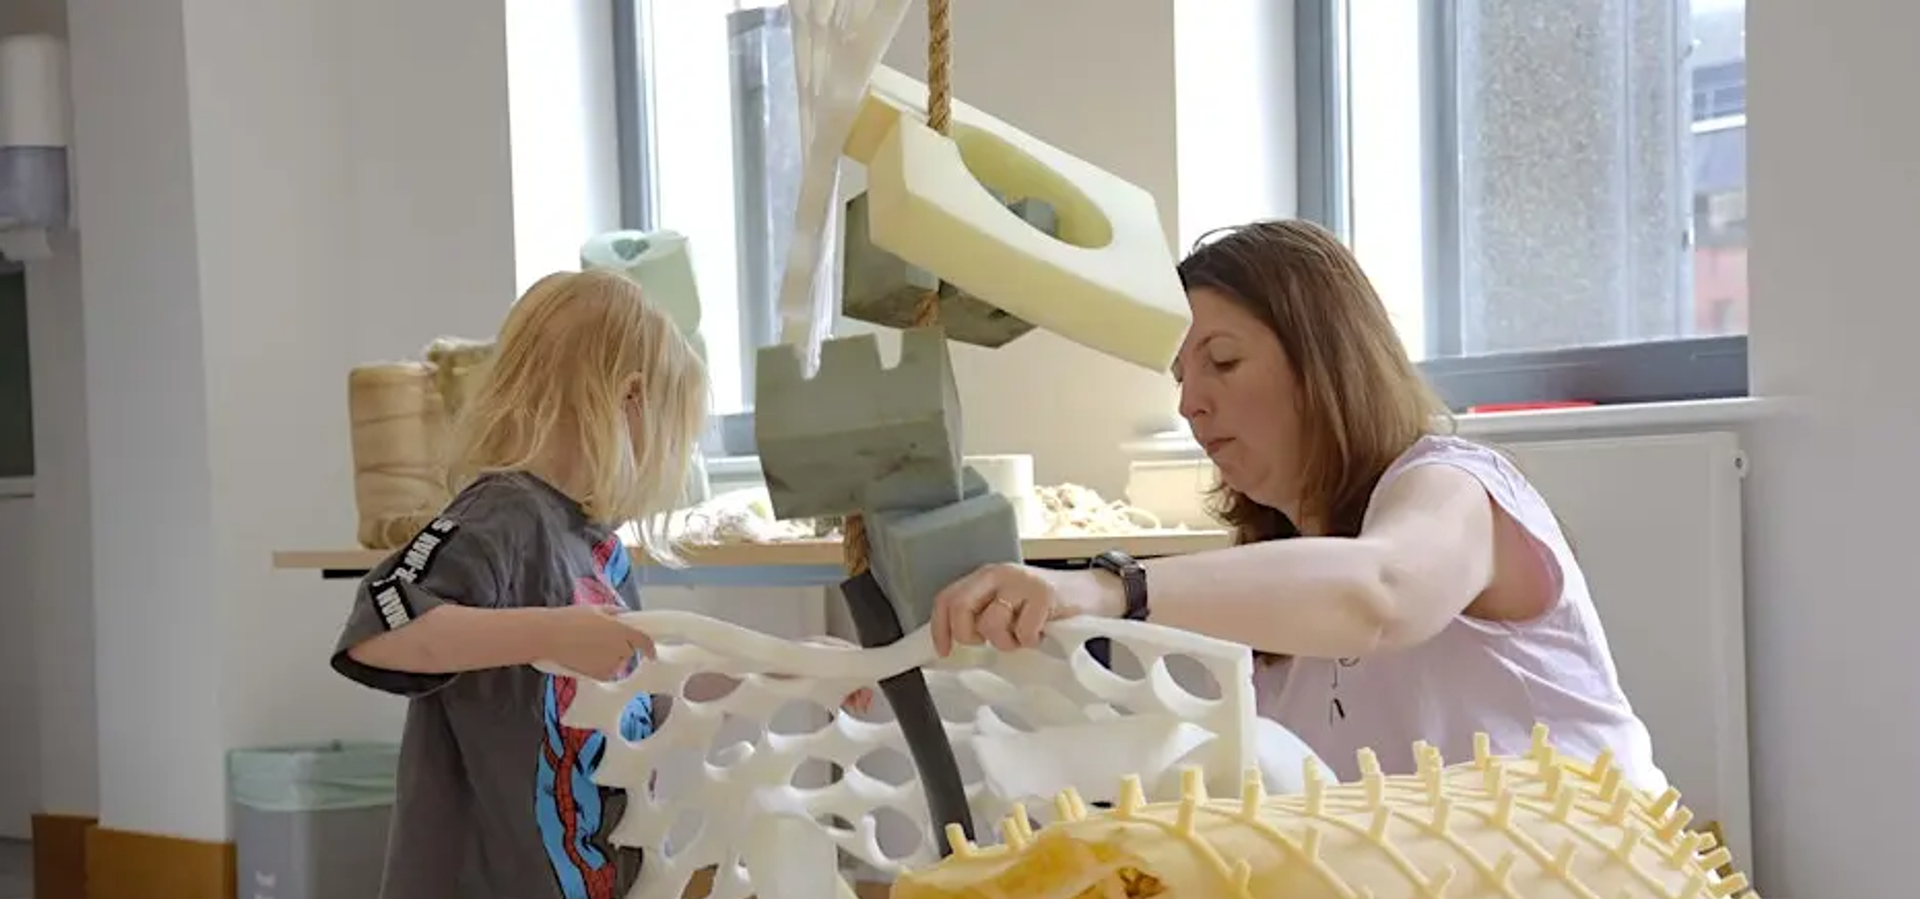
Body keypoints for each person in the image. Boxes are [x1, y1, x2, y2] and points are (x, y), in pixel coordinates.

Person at [928, 220, 1667, 793]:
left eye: (1222, 361)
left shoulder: (1457, 484)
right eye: (1181, 374)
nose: (1190, 402)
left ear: (1326, 362)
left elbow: (1384, 588)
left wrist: (1111, 584)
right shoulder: (1282, 625)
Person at [332, 270, 874, 899]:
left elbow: (649, 672)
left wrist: (787, 664)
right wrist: (550, 632)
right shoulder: (499, 516)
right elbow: (379, 628)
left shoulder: (597, 549)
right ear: (629, 401)